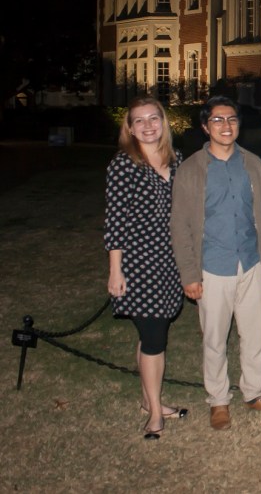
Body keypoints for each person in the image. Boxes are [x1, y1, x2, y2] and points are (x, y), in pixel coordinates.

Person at [171, 95, 261, 431]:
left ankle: (254, 393)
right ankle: (218, 401)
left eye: (232, 119)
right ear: (205, 127)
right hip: (212, 266)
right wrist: (189, 274)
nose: (226, 126)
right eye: (218, 120)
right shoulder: (192, 169)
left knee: (255, 335)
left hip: (250, 262)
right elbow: (180, 225)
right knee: (214, 338)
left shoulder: (253, 164)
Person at [105, 96, 188, 440]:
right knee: (155, 338)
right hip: (138, 265)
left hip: (171, 262)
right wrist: (116, 270)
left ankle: (146, 398)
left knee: (150, 334)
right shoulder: (123, 165)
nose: (148, 125)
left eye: (153, 118)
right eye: (139, 121)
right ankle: (155, 413)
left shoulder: (177, 160)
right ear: (130, 128)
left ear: (163, 122)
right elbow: (115, 221)